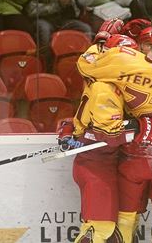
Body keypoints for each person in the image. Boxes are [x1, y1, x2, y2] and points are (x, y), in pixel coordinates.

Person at [77, 17, 152, 243]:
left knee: (124, 220)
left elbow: (86, 64)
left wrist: (102, 41)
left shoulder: (124, 60)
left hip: (132, 154)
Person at [57, 33, 139, 243]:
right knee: (99, 230)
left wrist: (71, 133)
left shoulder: (104, 82)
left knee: (112, 233)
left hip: (101, 163)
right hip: (97, 166)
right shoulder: (106, 88)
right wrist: (139, 127)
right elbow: (109, 134)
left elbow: (82, 123)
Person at [25, 0, 93, 70]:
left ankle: (83, 66)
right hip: (44, 19)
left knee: (85, 29)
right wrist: (57, 5)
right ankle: (45, 68)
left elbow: (77, 13)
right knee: (44, 30)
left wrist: (70, 2)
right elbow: (31, 10)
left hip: (63, 21)